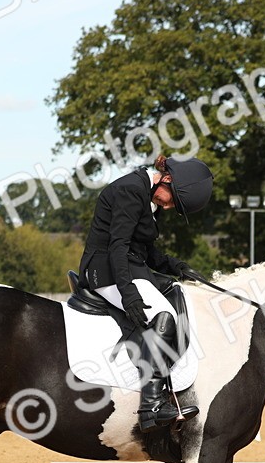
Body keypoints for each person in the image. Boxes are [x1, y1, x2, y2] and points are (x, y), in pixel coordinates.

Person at [79, 154, 213, 431]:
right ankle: (150, 406)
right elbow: (118, 245)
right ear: (166, 178)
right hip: (105, 270)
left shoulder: (150, 198)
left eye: (174, 203)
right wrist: (128, 295)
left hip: (131, 267)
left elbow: (145, 252)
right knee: (162, 316)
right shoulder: (131, 190)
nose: (170, 204)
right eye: (172, 198)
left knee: (177, 291)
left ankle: (174, 380)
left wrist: (178, 267)